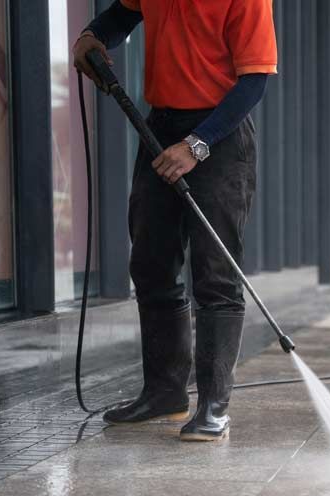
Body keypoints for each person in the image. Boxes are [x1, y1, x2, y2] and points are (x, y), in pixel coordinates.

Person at [73, 0, 277, 441]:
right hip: (160, 127)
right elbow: (121, 16)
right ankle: (164, 393)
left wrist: (195, 146)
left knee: (216, 272)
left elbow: (254, 81)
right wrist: (91, 36)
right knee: (150, 261)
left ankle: (214, 407)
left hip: (220, 135)